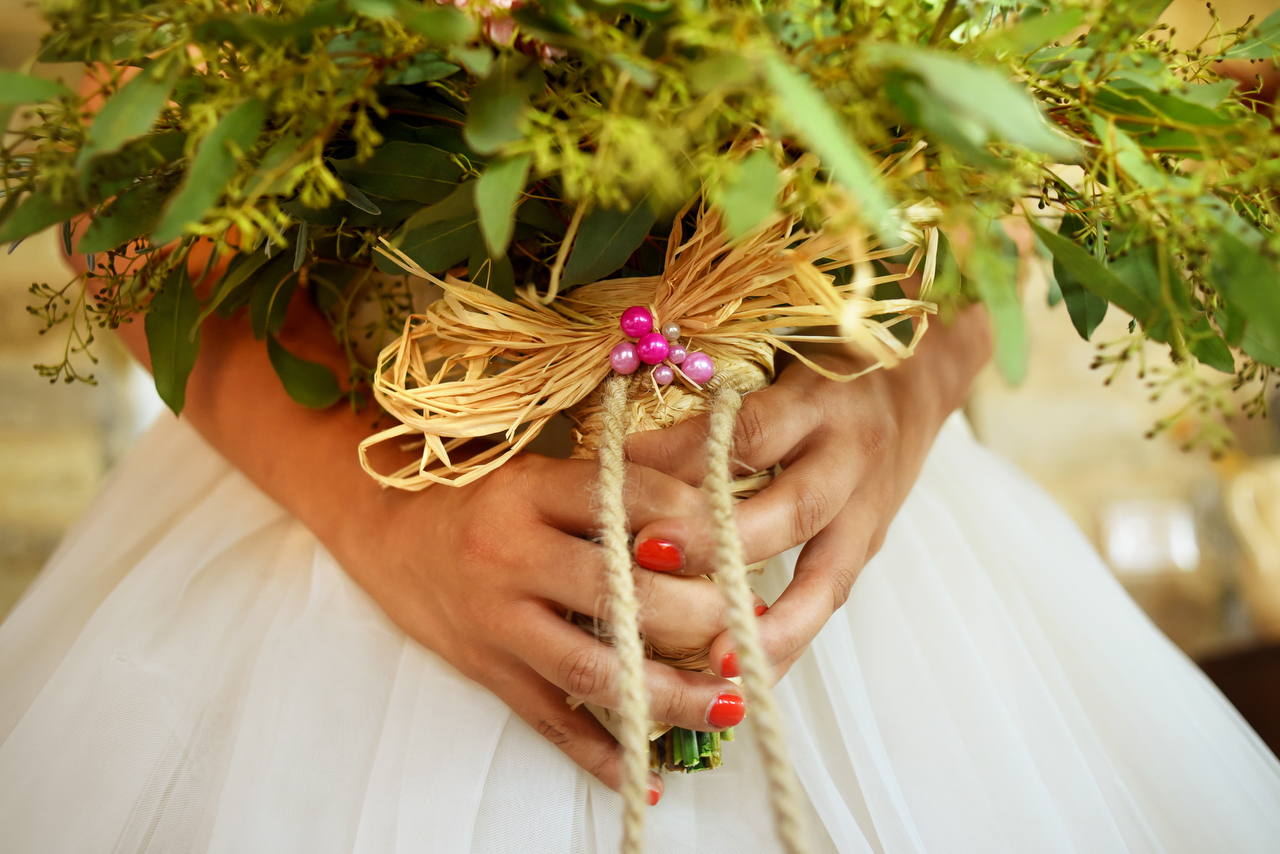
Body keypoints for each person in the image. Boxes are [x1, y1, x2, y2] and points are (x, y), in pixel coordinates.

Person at [1, 239, 1278, 853]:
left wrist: (902, 394)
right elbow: (130, 216)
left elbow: (1006, 155)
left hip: (823, 542)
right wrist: (382, 513)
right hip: (346, 502)